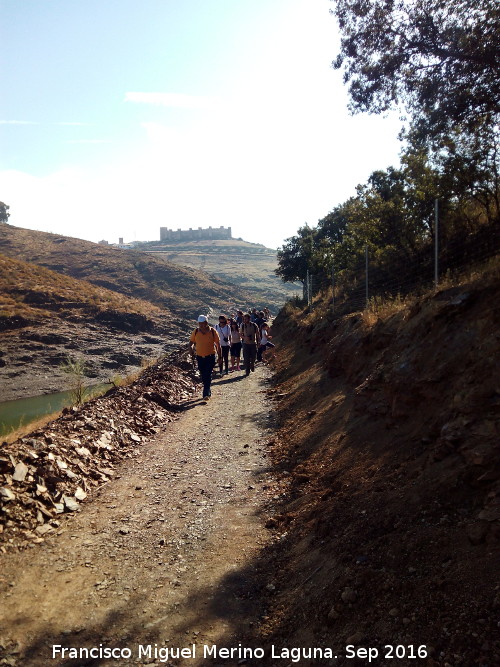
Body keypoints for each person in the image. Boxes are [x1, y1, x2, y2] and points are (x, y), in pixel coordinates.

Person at [189, 315, 221, 399]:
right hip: (199, 357)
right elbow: (191, 341)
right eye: (200, 324)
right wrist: (191, 348)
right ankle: (207, 389)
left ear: (206, 323)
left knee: (208, 373)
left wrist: (220, 357)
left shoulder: (213, 331)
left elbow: (218, 345)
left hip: (210, 356)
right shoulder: (195, 331)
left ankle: (206, 392)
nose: (201, 325)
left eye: (203, 324)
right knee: (203, 374)